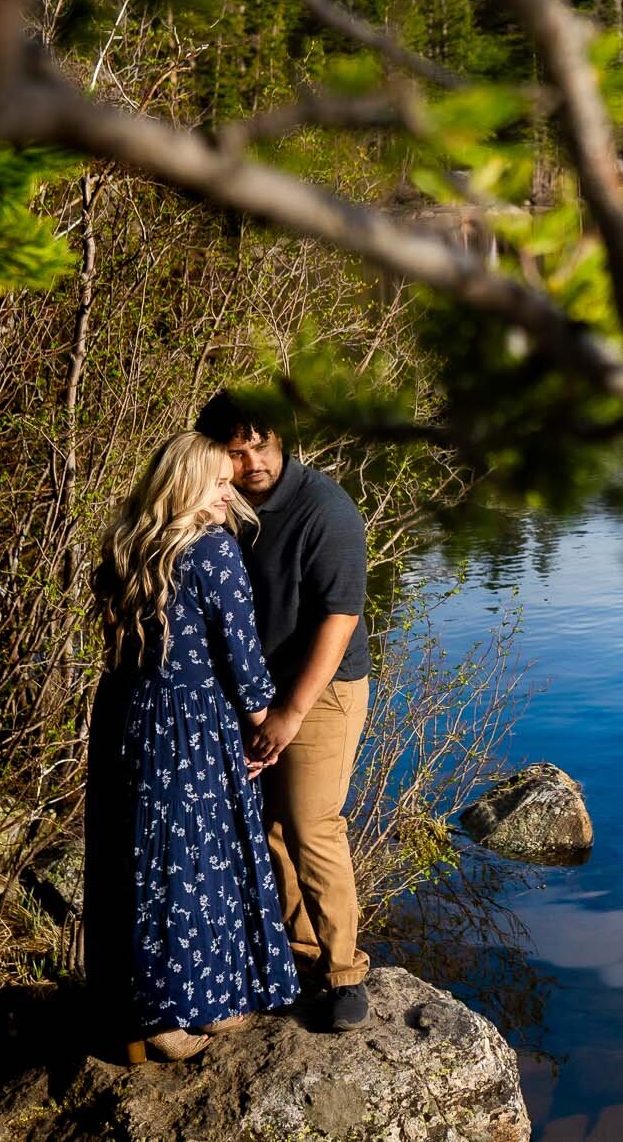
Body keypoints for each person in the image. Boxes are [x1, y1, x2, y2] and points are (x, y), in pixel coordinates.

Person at [86, 431, 302, 1062]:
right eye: (215, 481)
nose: (228, 489)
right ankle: (175, 1009)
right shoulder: (212, 552)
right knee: (190, 858)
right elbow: (241, 655)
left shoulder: (127, 545)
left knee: (134, 855)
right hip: (191, 724)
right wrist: (267, 723)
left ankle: (143, 1006)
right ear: (184, 487)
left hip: (127, 716)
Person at [194, 391, 374, 1030]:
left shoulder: (326, 510)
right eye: (237, 453)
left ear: (281, 439)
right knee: (266, 825)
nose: (253, 462)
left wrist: (292, 711)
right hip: (256, 691)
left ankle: (347, 971)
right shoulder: (227, 508)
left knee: (312, 823)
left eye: (261, 445)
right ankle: (300, 956)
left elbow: (341, 619)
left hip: (320, 690)